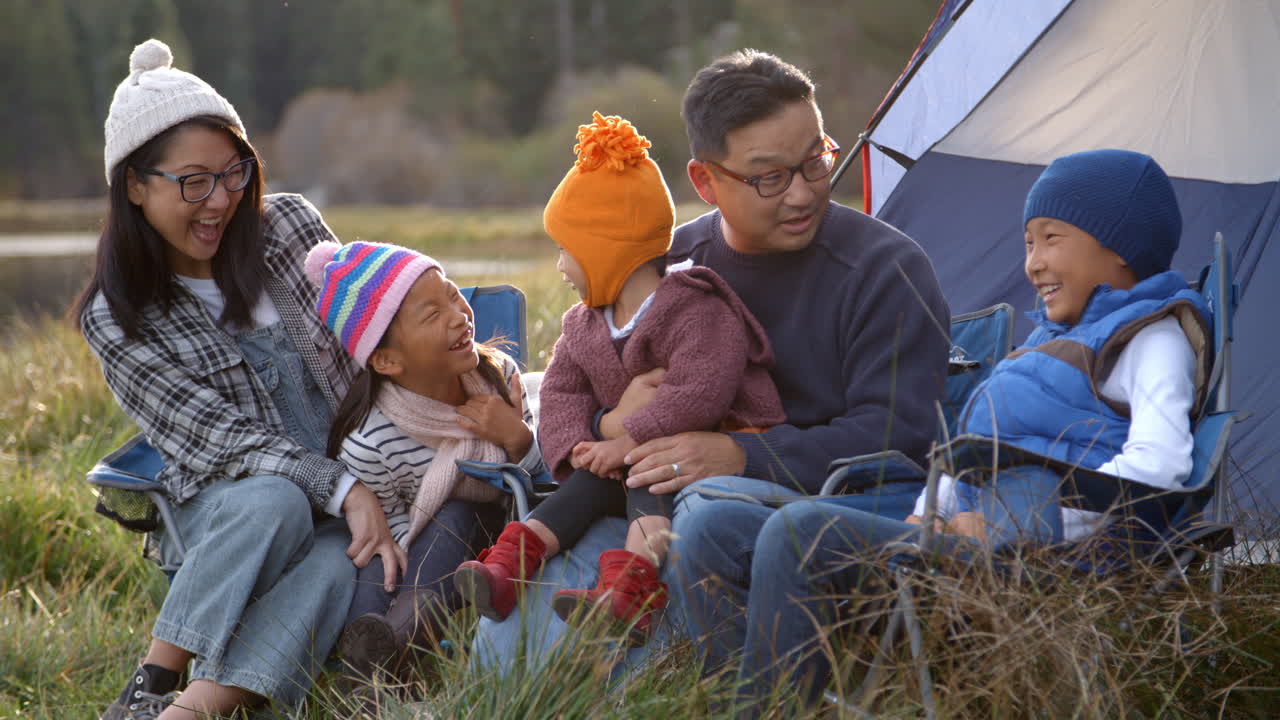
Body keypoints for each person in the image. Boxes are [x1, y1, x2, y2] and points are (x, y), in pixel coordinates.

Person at [677, 149, 1213, 714]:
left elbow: (1157, 472)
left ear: (1121, 245)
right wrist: (936, 508)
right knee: (715, 526)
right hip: (968, 534)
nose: (1032, 264)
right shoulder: (1054, 339)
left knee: (798, 533)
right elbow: (981, 450)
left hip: (1036, 562)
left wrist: (1013, 527)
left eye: (1052, 239)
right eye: (1029, 243)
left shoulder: (1150, 339)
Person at [470, 50, 950, 673]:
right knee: (515, 641)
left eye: (815, 159)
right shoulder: (662, 266)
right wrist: (606, 430)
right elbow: (575, 383)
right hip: (645, 502)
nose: (805, 192)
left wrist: (742, 455)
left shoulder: (886, 271)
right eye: (770, 177)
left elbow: (902, 437)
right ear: (705, 181)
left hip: (809, 510)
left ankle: (703, 695)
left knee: (706, 516)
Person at [79, 40, 399, 720]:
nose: (219, 200)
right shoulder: (117, 316)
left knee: (343, 559)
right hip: (227, 514)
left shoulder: (289, 227)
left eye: (233, 173)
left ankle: (189, 709)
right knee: (275, 500)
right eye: (193, 181)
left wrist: (370, 478)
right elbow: (225, 442)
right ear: (135, 186)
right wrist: (344, 487)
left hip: (350, 491)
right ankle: (155, 675)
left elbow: (370, 342)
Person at [453, 112, 785, 644]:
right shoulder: (584, 323)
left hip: (716, 453)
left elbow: (700, 391)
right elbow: (560, 392)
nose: (560, 266)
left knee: (646, 473)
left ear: (609, 250)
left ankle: (630, 593)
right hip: (631, 461)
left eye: (568, 251)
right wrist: (590, 442)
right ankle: (507, 566)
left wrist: (627, 439)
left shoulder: (696, 306)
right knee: (589, 483)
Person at [303, 241, 542, 679]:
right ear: (387, 360)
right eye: (433, 315)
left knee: (456, 509)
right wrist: (396, 555)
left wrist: (516, 436)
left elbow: (537, 486)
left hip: (497, 538)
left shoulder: (499, 378)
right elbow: (386, 530)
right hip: (414, 545)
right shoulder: (371, 441)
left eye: (453, 295)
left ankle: (384, 657)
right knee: (379, 563)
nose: (458, 315)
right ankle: (364, 669)